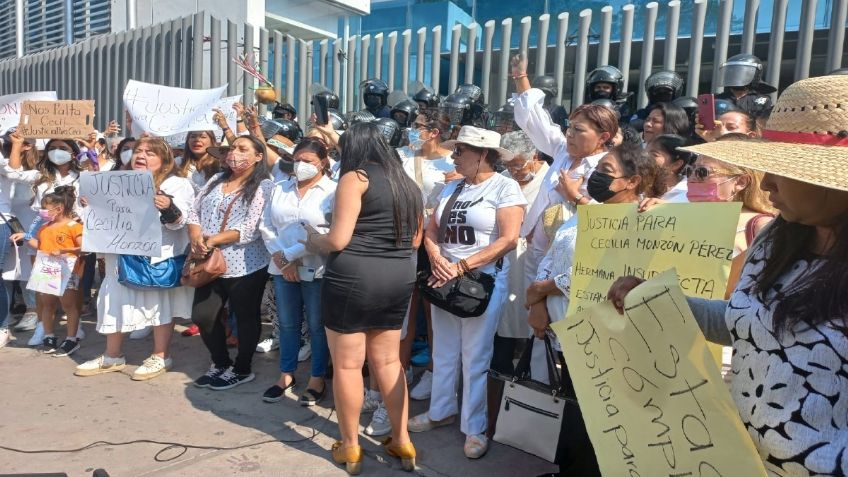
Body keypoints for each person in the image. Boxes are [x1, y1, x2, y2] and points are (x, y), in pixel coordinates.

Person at [610, 74, 848, 477]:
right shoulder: (775, 238)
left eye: (783, 169)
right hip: (731, 459)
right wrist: (657, 299)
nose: (767, 182)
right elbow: (742, 323)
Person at [528, 143, 658, 477]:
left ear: (632, 181)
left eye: (606, 172)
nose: (595, 176)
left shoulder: (641, 220)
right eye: (597, 169)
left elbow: (602, 275)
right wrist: (537, 299)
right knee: (574, 409)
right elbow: (554, 256)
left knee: (605, 417)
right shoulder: (584, 214)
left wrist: (545, 287)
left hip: (611, 336)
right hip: (571, 332)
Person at [302, 122, 422, 474]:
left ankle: (351, 447)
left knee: (348, 365)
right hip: (398, 275)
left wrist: (313, 241)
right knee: (388, 362)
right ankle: (402, 439)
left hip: (354, 276)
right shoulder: (408, 183)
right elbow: (415, 241)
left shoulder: (355, 178)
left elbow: (338, 240)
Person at [408, 126, 526, 459]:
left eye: (460, 150)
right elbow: (431, 230)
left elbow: (508, 239)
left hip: (480, 283)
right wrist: (435, 257)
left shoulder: (505, 187)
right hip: (443, 280)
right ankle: (441, 409)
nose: (454, 156)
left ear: (483, 154)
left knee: (475, 357)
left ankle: (474, 427)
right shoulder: (452, 188)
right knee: (443, 351)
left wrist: (462, 266)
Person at [74, 137, 195, 380]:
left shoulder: (177, 184)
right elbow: (90, 218)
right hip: (119, 254)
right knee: (114, 300)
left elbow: (180, 222)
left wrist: (167, 206)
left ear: (164, 159)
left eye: (150, 152)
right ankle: (112, 355)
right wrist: (87, 203)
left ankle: (160, 356)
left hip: (156, 257)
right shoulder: (113, 181)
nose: (141, 155)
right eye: (138, 151)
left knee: (159, 305)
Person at [510, 54, 619, 309]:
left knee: (560, 319)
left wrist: (574, 196)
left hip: (571, 261)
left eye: (579, 131)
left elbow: (611, 221)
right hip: (537, 251)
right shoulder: (562, 152)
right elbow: (535, 120)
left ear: (603, 136)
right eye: (570, 128)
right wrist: (520, 77)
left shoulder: (610, 167)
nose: (569, 135)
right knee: (534, 317)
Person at [189, 135, 274, 391]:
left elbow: (250, 228)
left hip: (246, 264)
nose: (234, 153)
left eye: (242, 149)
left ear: (258, 157)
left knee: (246, 317)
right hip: (208, 262)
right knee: (203, 316)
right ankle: (220, 363)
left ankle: (242, 368)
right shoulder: (216, 179)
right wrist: (195, 236)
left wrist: (214, 239)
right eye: (232, 148)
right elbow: (194, 211)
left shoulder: (264, 185)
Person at [260, 137, 335, 406]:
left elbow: (326, 232)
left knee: (317, 325)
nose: (301, 165)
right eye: (297, 160)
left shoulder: (332, 190)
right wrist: (282, 259)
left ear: (323, 163)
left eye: (309, 161)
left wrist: (291, 256)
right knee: (287, 323)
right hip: (282, 267)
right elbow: (266, 225)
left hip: (316, 267)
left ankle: (317, 377)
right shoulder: (280, 187)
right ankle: (286, 374)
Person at [487, 130, 548, 436]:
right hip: (509, 265)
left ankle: (535, 410)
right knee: (506, 333)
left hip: (540, 266)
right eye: (508, 165)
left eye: (519, 164)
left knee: (537, 343)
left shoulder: (551, 181)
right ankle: (500, 409)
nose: (514, 170)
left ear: (536, 156)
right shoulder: (504, 182)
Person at [14, 186, 83, 356]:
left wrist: (65, 250)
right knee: (47, 305)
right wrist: (26, 237)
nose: (42, 211)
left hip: (67, 271)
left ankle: (71, 339)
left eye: (45, 207)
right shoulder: (44, 227)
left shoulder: (74, 226)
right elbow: (41, 247)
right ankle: (49, 336)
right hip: (47, 271)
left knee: (68, 305)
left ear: (59, 209)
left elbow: (83, 247)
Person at [2, 131, 40, 342]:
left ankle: (33, 310)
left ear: (27, 145)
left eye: (17, 141)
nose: (10, 144)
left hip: (30, 223)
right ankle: (5, 314)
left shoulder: (38, 170)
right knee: (7, 270)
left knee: (28, 269)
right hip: (8, 221)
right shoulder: (3, 164)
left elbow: (14, 172)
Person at [716, 54, 775, 120]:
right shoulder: (717, 100)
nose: (736, 75)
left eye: (739, 72)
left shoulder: (762, 100)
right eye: (733, 72)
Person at [646, 134, 695, 201]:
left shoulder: (689, 193)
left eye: (654, 155)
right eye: (645, 153)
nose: (645, 158)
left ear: (676, 164)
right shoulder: (636, 186)